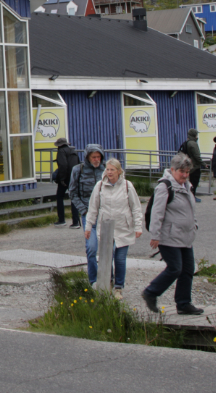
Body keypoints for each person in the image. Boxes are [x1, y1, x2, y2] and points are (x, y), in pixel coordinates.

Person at [141, 153, 204, 315]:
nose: (184, 175)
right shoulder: (165, 186)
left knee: (188, 269)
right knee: (175, 268)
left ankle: (183, 303)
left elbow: (190, 209)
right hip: (168, 236)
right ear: (172, 170)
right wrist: (155, 235)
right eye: (181, 171)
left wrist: (194, 225)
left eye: (187, 172)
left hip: (185, 237)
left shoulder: (186, 186)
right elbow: (157, 212)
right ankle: (151, 292)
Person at [85, 159, 142, 299]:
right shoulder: (100, 186)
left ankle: (118, 287)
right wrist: (88, 226)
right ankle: (107, 283)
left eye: (112, 170)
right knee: (106, 257)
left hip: (123, 227)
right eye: (108, 170)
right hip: (106, 227)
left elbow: (136, 207)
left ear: (119, 171)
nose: (109, 172)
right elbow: (93, 208)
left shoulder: (127, 186)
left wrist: (138, 226)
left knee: (120, 259)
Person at [68, 144, 106, 284]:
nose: (96, 159)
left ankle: (109, 278)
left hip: (106, 215)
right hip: (88, 214)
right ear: (88, 157)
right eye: (93, 157)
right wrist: (83, 210)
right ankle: (94, 281)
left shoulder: (107, 169)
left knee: (109, 248)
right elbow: (72, 192)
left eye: (98, 157)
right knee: (91, 248)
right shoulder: (78, 170)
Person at [53, 137, 80, 227]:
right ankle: (76, 222)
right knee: (73, 198)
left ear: (59, 145)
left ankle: (61, 220)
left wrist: (62, 179)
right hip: (74, 177)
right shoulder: (73, 151)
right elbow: (79, 164)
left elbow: (63, 165)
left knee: (59, 197)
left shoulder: (61, 151)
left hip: (66, 178)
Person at [183, 128, 203, 203]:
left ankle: (191, 196)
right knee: (194, 182)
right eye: (196, 135)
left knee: (191, 182)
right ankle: (192, 197)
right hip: (194, 166)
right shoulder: (193, 144)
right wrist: (203, 163)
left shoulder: (188, 142)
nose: (197, 136)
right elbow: (197, 156)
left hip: (190, 165)